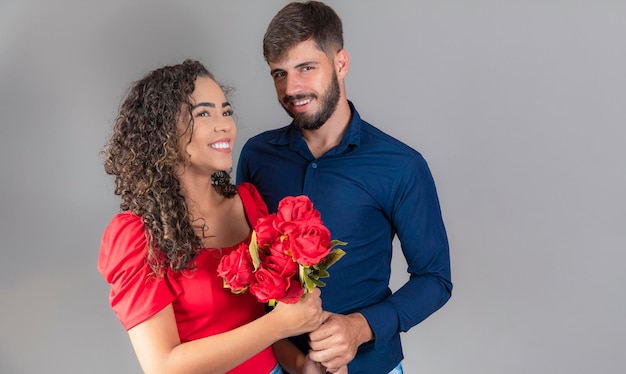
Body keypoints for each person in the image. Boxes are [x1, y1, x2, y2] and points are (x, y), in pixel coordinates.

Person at [236, 2, 453, 373]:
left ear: (340, 63)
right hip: (273, 364)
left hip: (369, 366)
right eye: (279, 73)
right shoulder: (257, 156)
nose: (292, 88)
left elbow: (435, 279)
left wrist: (359, 328)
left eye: (306, 68)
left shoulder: (401, 165)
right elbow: (246, 263)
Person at [98, 59, 327, 374]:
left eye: (226, 112)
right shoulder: (137, 235)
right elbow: (163, 366)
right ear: (164, 132)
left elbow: (253, 323)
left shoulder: (247, 203)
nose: (225, 125)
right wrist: (279, 326)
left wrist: (301, 365)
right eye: (204, 113)